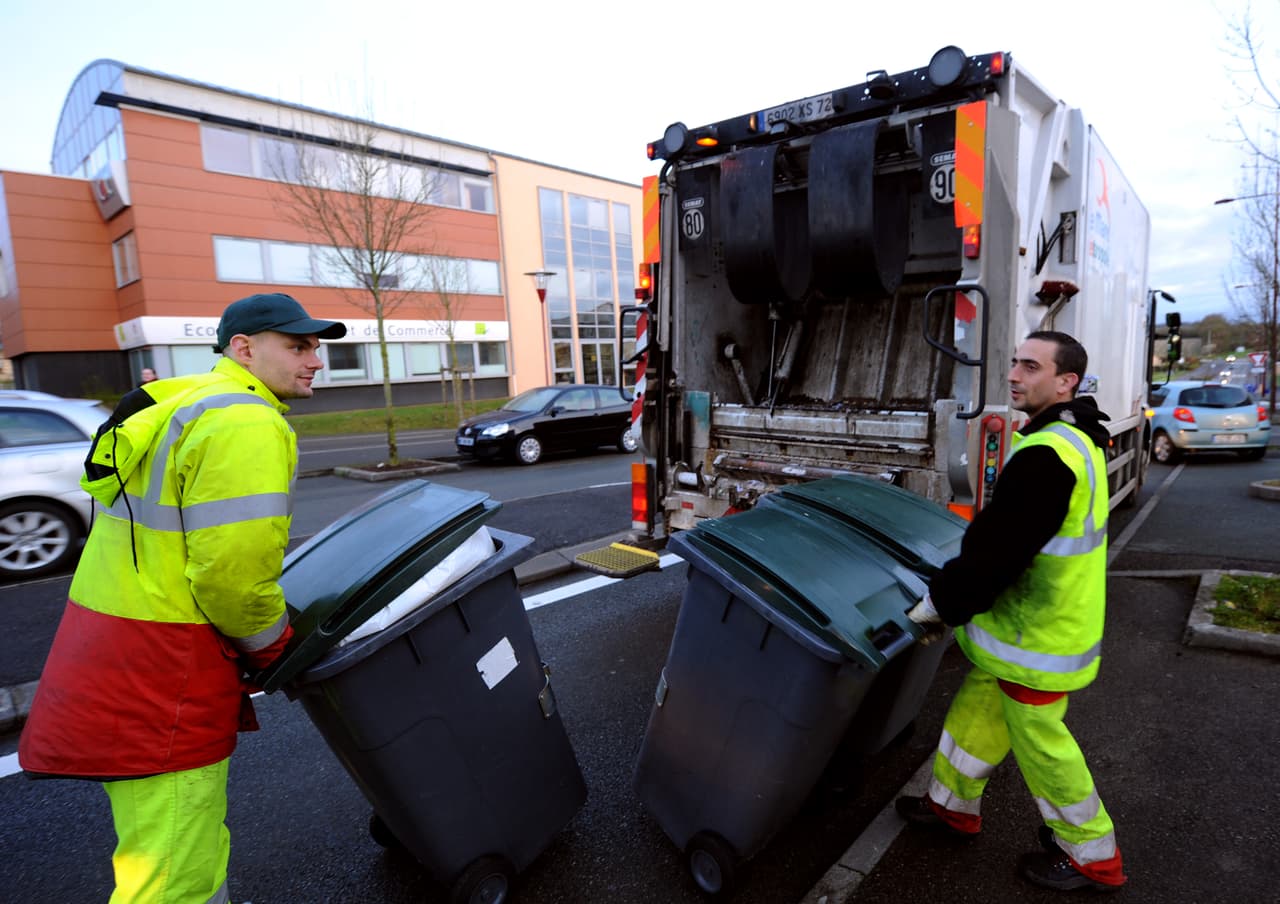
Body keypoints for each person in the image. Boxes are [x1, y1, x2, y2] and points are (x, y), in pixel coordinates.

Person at [19, 292, 346, 903]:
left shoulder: (182, 402)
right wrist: (274, 647)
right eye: (299, 346)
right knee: (169, 872)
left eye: (317, 347)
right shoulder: (246, 421)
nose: (316, 360)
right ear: (244, 349)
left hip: (118, 645)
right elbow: (231, 575)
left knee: (181, 840)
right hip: (166, 666)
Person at [896, 330, 1127, 893]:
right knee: (978, 712)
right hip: (1033, 627)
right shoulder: (1075, 437)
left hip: (1038, 636)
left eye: (1030, 366)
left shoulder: (1048, 456)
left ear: (1066, 380)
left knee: (1042, 745)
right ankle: (950, 804)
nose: (1013, 375)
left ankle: (1093, 855)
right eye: (1015, 363)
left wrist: (939, 607)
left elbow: (994, 555)